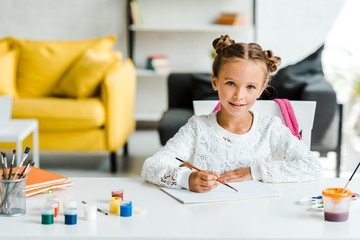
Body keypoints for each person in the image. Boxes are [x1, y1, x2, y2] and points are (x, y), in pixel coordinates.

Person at [141, 35, 323, 193]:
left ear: (261, 90)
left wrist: (255, 172)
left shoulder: (270, 129)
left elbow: (312, 167)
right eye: (230, 83)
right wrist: (186, 179)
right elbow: (151, 166)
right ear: (215, 82)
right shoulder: (197, 128)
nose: (239, 95)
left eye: (250, 87)